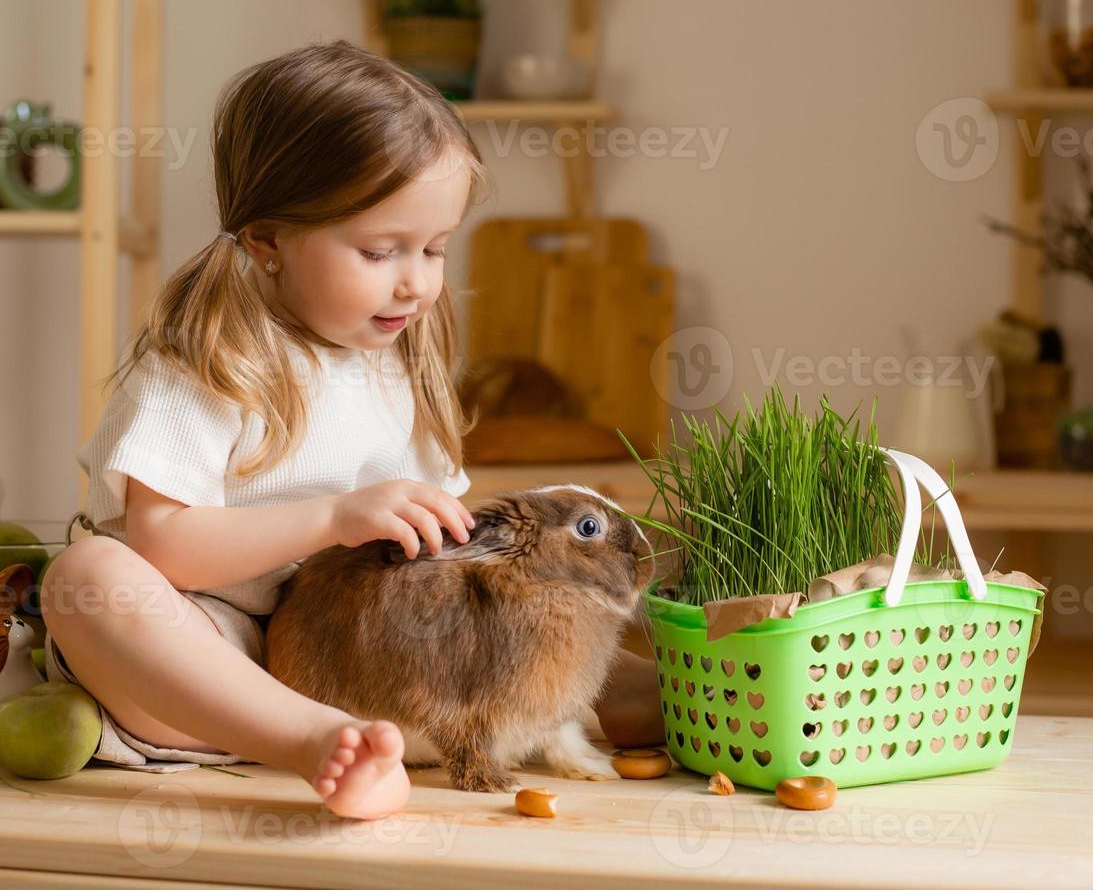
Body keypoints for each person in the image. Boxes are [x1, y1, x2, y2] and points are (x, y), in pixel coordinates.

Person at [41, 40, 661, 821]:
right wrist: (335, 517)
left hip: (372, 656)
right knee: (89, 579)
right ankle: (316, 743)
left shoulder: (401, 361)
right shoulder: (202, 366)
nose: (418, 280)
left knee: (622, 675)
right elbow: (164, 544)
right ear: (267, 239)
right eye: (380, 250)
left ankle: (717, 691)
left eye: (435, 248)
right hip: (214, 649)